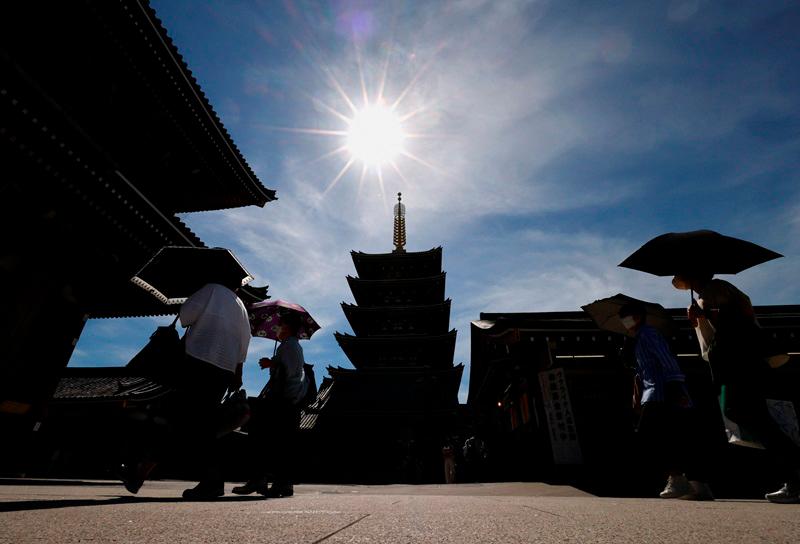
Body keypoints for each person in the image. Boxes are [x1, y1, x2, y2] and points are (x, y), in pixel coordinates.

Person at [674, 273, 800, 503]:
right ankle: (792, 475)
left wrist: (704, 314)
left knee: (747, 415)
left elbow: (732, 321)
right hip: (731, 362)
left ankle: (795, 474)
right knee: (750, 416)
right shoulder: (705, 295)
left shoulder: (716, 288)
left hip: (739, 361)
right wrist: (700, 317)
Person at [121, 276, 251, 500]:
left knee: (178, 417)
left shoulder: (210, 288)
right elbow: (244, 343)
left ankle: (209, 480)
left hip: (198, 360)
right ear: (237, 284)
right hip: (224, 369)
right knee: (195, 421)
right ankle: (141, 471)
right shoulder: (241, 307)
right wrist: (237, 373)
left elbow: (186, 316)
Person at [619, 302, 714, 500]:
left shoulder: (648, 333)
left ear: (637, 317)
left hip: (663, 390)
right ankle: (696, 484)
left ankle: (679, 479)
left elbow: (666, 359)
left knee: (654, 435)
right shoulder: (638, 339)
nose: (624, 322)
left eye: (626, 317)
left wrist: (675, 385)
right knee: (675, 436)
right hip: (655, 392)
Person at [232, 311, 307, 498]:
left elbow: (287, 374)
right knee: (279, 442)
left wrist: (271, 364)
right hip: (288, 401)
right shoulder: (291, 346)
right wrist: (272, 363)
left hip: (283, 401)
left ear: (287, 327)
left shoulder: (289, 346)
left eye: (280, 325)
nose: (278, 329)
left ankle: (261, 479)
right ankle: (281, 483)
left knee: (261, 437)